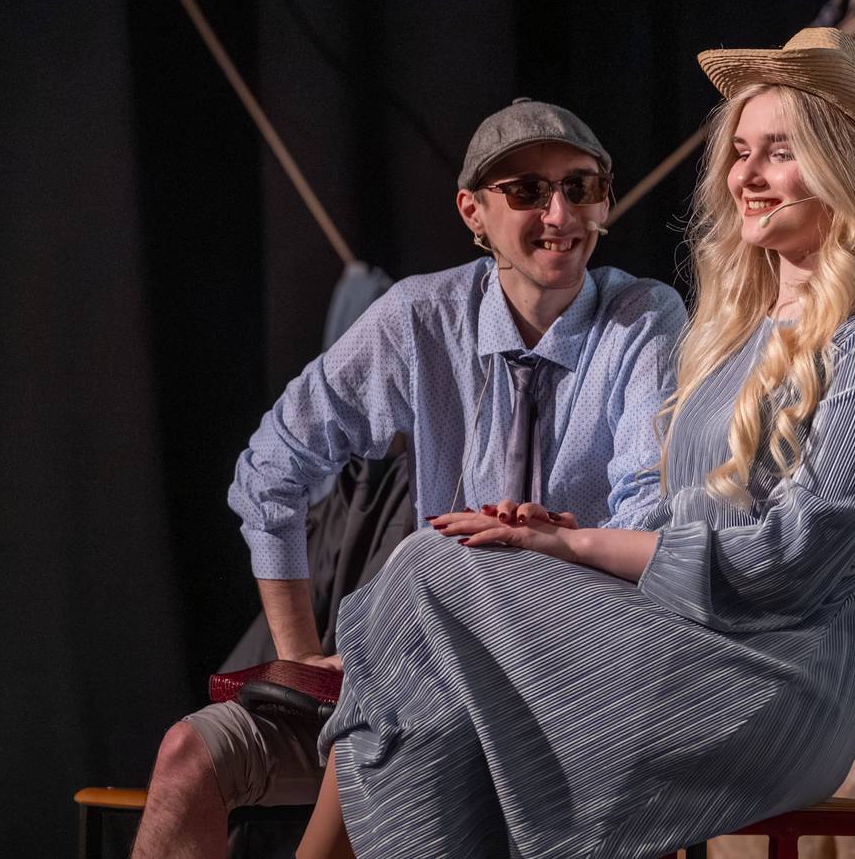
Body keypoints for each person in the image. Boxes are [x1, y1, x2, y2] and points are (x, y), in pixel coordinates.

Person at [293, 28, 855, 859]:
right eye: (740, 151)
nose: (746, 175)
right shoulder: (735, 335)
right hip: (687, 635)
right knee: (439, 574)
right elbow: (693, 519)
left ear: (843, 168)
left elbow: (789, 558)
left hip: (776, 682)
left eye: (780, 152)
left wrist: (580, 546)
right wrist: (564, 543)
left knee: (433, 580)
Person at [131, 99, 687, 859]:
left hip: (569, 691)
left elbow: (648, 518)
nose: (560, 214)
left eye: (580, 187)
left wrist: (559, 547)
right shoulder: (420, 318)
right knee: (189, 757)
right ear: (473, 212)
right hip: (413, 679)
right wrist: (300, 656)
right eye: (528, 191)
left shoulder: (644, 319)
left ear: (605, 200)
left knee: (388, 747)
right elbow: (270, 470)